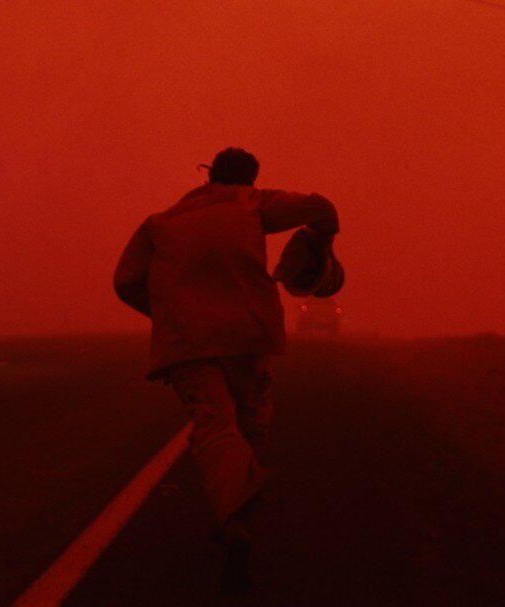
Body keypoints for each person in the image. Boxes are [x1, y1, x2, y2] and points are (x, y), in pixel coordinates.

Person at [113, 147, 338, 594]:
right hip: (248, 336)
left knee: (216, 428)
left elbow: (125, 281)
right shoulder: (253, 203)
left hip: (190, 346)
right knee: (251, 421)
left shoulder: (161, 222)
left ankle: (234, 515)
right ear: (248, 180)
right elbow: (321, 207)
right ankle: (238, 511)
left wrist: (168, 314)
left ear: (208, 176)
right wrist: (321, 246)